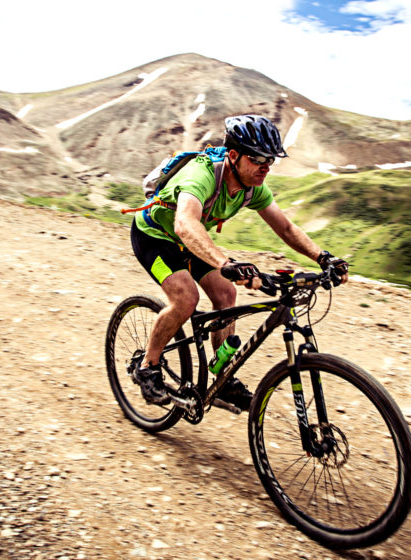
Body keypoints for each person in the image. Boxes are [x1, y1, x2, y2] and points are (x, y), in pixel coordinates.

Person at [129, 114, 349, 410]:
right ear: (233, 155)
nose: (265, 168)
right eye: (259, 159)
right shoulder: (202, 175)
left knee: (226, 295)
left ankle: (221, 380)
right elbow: (184, 223)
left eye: (271, 160)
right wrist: (224, 262)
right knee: (186, 298)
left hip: (189, 240)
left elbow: (285, 228)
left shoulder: (253, 187)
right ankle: (148, 367)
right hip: (154, 236)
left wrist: (323, 257)